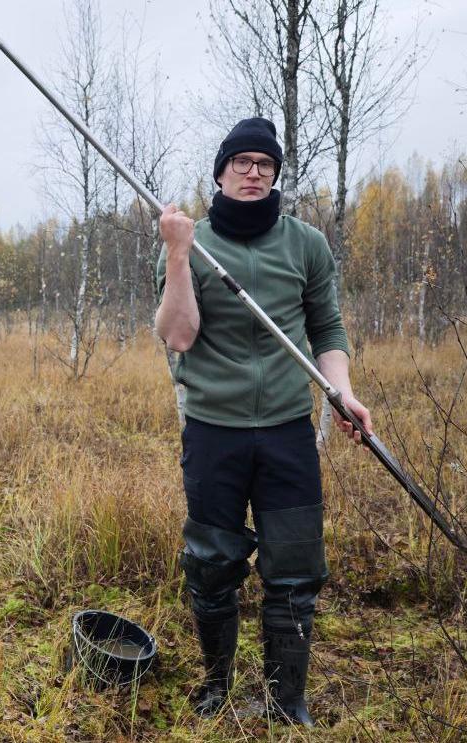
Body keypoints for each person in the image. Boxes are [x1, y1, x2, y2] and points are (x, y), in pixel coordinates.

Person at [154, 117, 372, 725]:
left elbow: (327, 328)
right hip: (213, 432)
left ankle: (287, 700)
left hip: (287, 431)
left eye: (266, 165)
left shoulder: (306, 245)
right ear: (221, 172)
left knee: (296, 568)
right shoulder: (189, 240)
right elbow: (179, 335)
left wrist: (342, 391)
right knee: (211, 564)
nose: (254, 173)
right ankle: (216, 685)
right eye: (242, 162)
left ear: (275, 174)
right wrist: (177, 253)